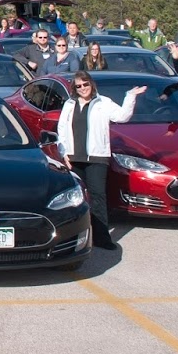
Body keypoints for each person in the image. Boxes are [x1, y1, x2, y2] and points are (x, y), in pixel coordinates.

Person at [55, 71, 146, 251]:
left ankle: (102, 237)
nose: (83, 88)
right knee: (76, 199)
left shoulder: (103, 102)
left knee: (97, 196)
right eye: (79, 86)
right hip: (74, 158)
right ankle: (73, 236)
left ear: (91, 84)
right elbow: (62, 129)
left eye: (85, 84)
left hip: (97, 157)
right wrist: (63, 153)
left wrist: (130, 97)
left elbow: (122, 117)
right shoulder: (69, 104)